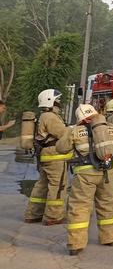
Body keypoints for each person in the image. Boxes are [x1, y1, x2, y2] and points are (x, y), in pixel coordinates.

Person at [56, 103, 113, 256]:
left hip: (86, 173)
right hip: (108, 171)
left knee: (80, 206)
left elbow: (61, 148)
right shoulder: (110, 128)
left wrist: (71, 131)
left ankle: (76, 244)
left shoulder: (76, 130)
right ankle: (110, 238)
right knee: (107, 203)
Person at [23, 89, 69, 225]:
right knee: (58, 186)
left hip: (46, 156)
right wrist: (75, 130)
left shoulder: (44, 115)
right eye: (57, 100)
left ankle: (33, 214)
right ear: (50, 101)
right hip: (54, 156)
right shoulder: (50, 117)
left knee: (42, 186)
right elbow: (63, 134)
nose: (59, 102)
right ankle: (53, 216)